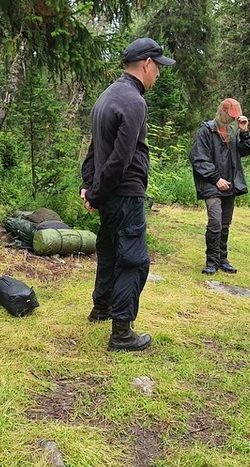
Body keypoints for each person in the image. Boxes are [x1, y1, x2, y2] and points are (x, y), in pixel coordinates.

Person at [80, 37, 175, 352]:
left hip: (109, 194)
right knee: (133, 261)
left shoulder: (107, 96)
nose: (158, 74)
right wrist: (95, 192)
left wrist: (90, 186)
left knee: (108, 252)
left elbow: (95, 149)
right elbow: (119, 159)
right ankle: (122, 332)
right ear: (147, 64)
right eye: (158, 67)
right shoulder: (134, 102)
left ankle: (101, 308)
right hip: (125, 194)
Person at [189, 98, 250, 275]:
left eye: (235, 116)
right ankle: (211, 261)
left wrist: (245, 131)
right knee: (215, 222)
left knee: (225, 224)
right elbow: (198, 158)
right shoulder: (206, 130)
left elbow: (246, 150)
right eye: (230, 116)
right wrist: (216, 179)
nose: (233, 119)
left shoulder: (234, 131)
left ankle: (223, 260)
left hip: (230, 184)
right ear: (222, 112)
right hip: (211, 184)